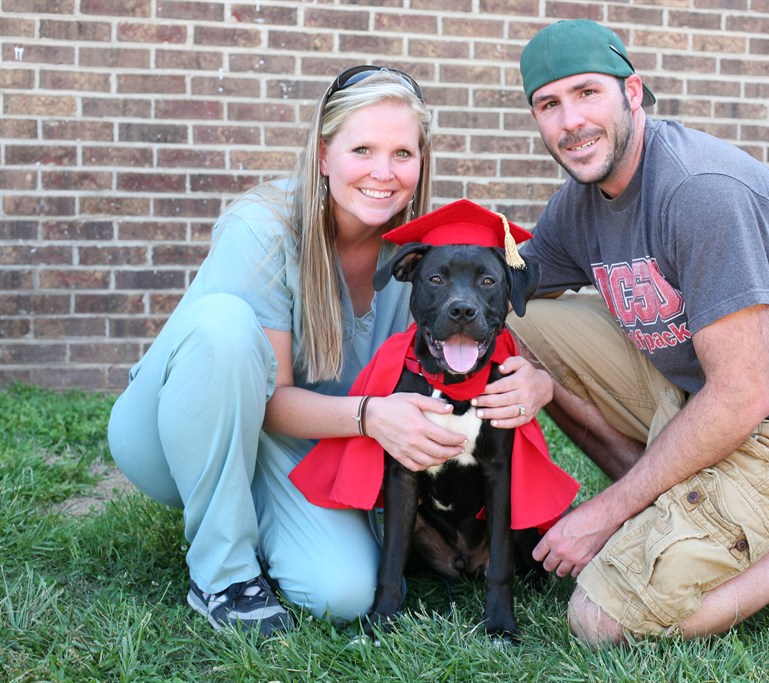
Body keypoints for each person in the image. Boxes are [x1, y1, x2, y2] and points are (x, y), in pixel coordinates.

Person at [506, 19, 769, 646]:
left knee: (601, 621)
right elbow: (506, 278)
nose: (571, 122)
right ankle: (662, 507)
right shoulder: (581, 202)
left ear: (633, 93)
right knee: (514, 314)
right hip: (697, 394)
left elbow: (745, 395)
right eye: (549, 105)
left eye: (587, 93)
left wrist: (604, 512)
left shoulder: (701, 192)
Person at [106, 66, 552, 636]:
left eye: (402, 153)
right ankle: (221, 573)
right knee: (224, 326)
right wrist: (371, 417)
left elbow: (489, 323)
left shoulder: (421, 257)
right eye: (361, 149)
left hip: (303, 443)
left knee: (340, 591)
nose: (383, 173)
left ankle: (263, 526)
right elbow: (260, 393)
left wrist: (540, 381)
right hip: (179, 431)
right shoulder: (262, 229)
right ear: (323, 155)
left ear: (422, 161)